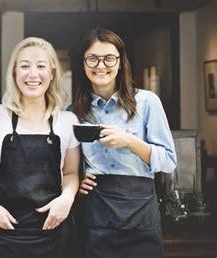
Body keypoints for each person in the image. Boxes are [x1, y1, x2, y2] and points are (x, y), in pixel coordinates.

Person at [73, 27, 177, 258]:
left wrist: (129, 140)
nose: (101, 65)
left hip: (140, 214)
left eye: (109, 58)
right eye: (92, 58)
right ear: (83, 64)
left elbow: (169, 162)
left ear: (120, 62)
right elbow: (66, 165)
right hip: (95, 215)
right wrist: (75, 180)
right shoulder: (74, 113)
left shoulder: (147, 102)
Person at [0, 37, 81, 258]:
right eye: (24, 66)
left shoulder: (68, 121)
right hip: (1, 232)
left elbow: (70, 173)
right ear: (14, 72)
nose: (33, 74)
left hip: (52, 233)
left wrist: (67, 198)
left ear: (52, 73)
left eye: (41, 66)